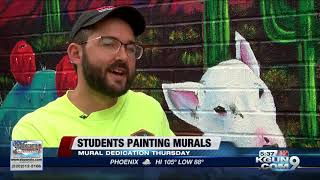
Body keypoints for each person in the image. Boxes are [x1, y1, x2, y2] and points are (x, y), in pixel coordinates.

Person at [12, 6, 175, 147]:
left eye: (130, 48)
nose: (124, 57)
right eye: (109, 44)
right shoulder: (31, 130)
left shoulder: (150, 109)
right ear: (76, 54)